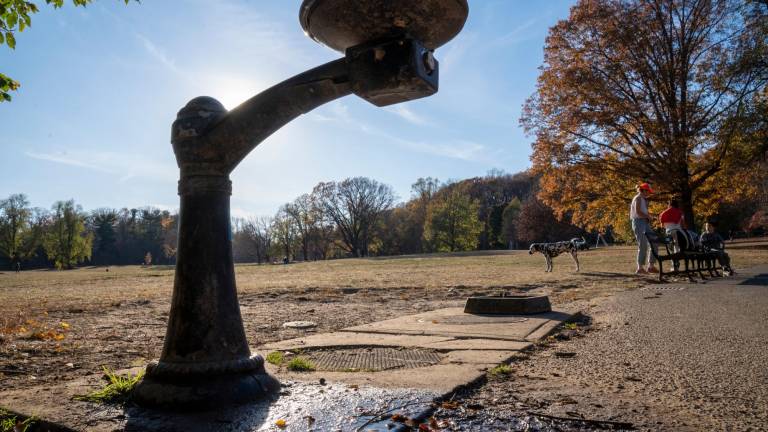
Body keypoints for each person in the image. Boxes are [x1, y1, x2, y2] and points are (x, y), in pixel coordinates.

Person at [630, 182, 658, 274]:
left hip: (644, 223)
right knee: (643, 244)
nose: (649, 193)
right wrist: (648, 217)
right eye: (648, 191)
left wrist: (649, 216)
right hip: (638, 222)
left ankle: (651, 266)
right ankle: (640, 268)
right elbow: (638, 212)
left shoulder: (643, 199)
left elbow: (643, 212)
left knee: (654, 241)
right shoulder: (638, 198)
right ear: (644, 190)